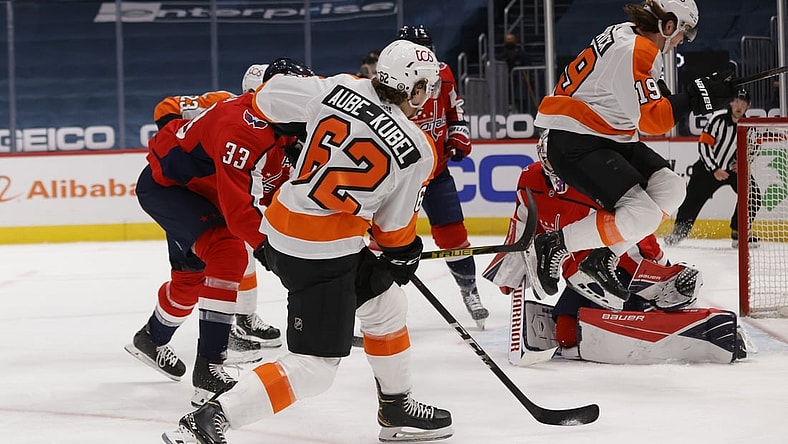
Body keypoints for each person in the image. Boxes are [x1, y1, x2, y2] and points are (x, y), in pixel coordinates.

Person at [161, 40, 453, 444]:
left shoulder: (339, 86)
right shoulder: (419, 149)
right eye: (428, 86)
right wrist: (404, 252)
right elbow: (392, 229)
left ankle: (396, 406)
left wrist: (318, 116)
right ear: (415, 87)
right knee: (314, 366)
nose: (429, 96)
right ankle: (209, 420)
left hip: (285, 230)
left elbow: (269, 94)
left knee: (385, 305)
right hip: (323, 254)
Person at [126, 59, 313, 408]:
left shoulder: (283, 130)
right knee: (229, 255)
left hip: (202, 195)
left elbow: (271, 199)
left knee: (191, 278)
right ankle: (209, 368)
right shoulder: (240, 130)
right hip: (175, 189)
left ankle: (151, 338)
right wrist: (273, 252)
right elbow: (238, 211)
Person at [530, 0, 735, 304]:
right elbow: (654, 120)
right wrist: (695, 98)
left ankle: (602, 257)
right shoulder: (637, 50)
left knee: (672, 188)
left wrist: (694, 95)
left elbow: (651, 95)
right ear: (668, 25)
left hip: (605, 135)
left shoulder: (627, 34)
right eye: (684, 32)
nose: (683, 40)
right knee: (641, 214)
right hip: (574, 140)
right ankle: (554, 245)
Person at [483, 140, 700, 357]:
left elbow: (636, 224)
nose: (559, 163)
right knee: (566, 334)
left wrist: (658, 268)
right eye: (553, 157)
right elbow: (523, 228)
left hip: (622, 268)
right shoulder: (530, 180)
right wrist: (510, 273)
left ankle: (653, 302)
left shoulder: (596, 175)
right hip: (580, 275)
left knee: (616, 328)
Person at [396, 24, 489, 328]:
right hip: (397, 179)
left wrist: (458, 135)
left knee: (454, 235)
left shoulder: (444, 74)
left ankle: (469, 290)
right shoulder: (388, 81)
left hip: (436, 172)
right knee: (384, 242)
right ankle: (377, 304)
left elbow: (454, 111)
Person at [664, 89, 762, 248]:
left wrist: (743, 162)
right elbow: (704, 145)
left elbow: (754, 148)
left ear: (748, 106)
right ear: (731, 102)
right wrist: (714, 168)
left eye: (743, 103)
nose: (739, 106)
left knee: (754, 195)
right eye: (737, 101)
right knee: (691, 201)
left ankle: (739, 232)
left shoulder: (749, 126)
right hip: (707, 169)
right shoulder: (717, 119)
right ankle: (678, 232)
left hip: (732, 170)